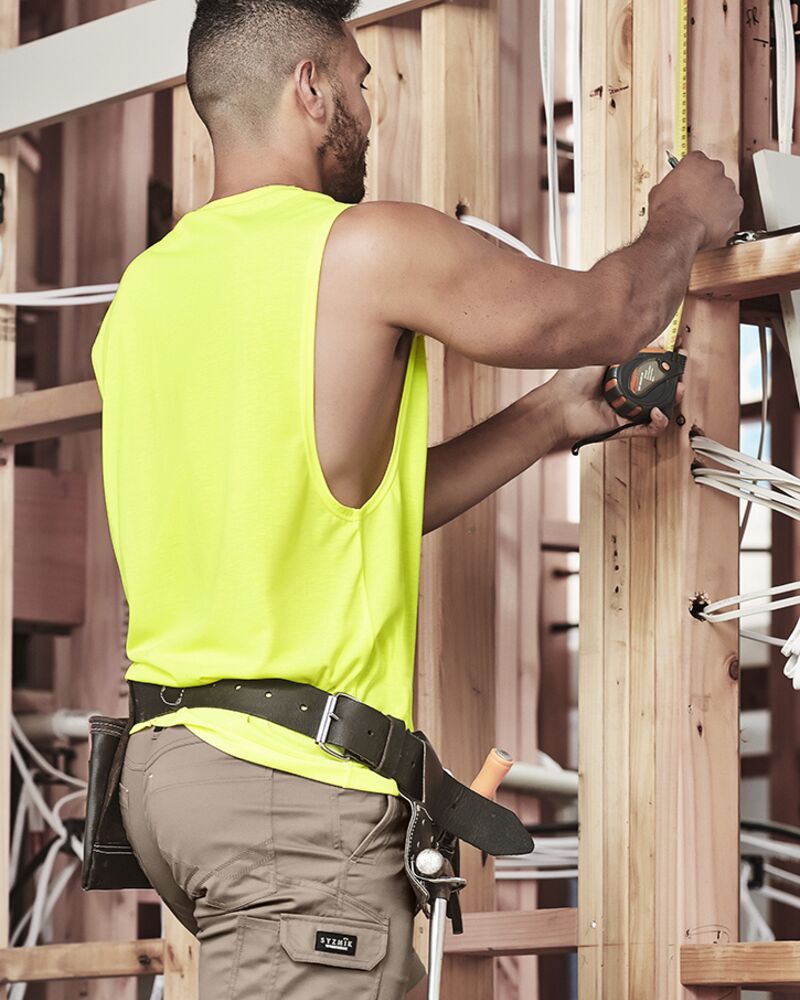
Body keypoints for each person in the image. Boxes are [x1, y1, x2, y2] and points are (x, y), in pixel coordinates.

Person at [89, 1, 743, 998]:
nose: (370, 106)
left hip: (172, 778)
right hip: (286, 793)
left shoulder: (145, 294)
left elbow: (337, 512)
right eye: (359, 80)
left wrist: (542, 423)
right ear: (307, 90)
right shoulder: (356, 248)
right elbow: (611, 309)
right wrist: (683, 216)